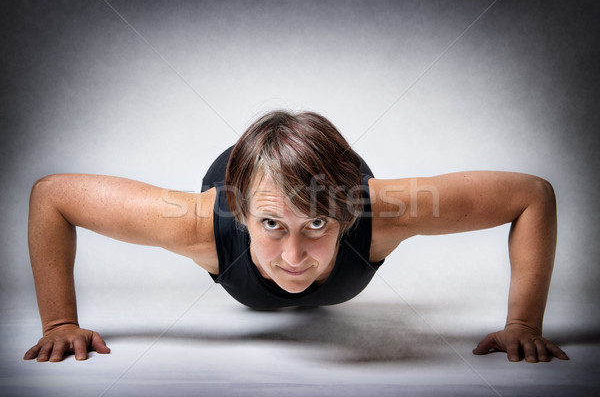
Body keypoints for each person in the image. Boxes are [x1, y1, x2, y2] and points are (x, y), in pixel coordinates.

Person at [23, 110, 569, 363]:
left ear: (346, 216)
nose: (293, 257)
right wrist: (60, 323)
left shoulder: (379, 209)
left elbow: (531, 196)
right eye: (271, 227)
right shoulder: (200, 222)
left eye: (315, 226)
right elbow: (53, 197)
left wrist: (523, 324)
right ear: (241, 217)